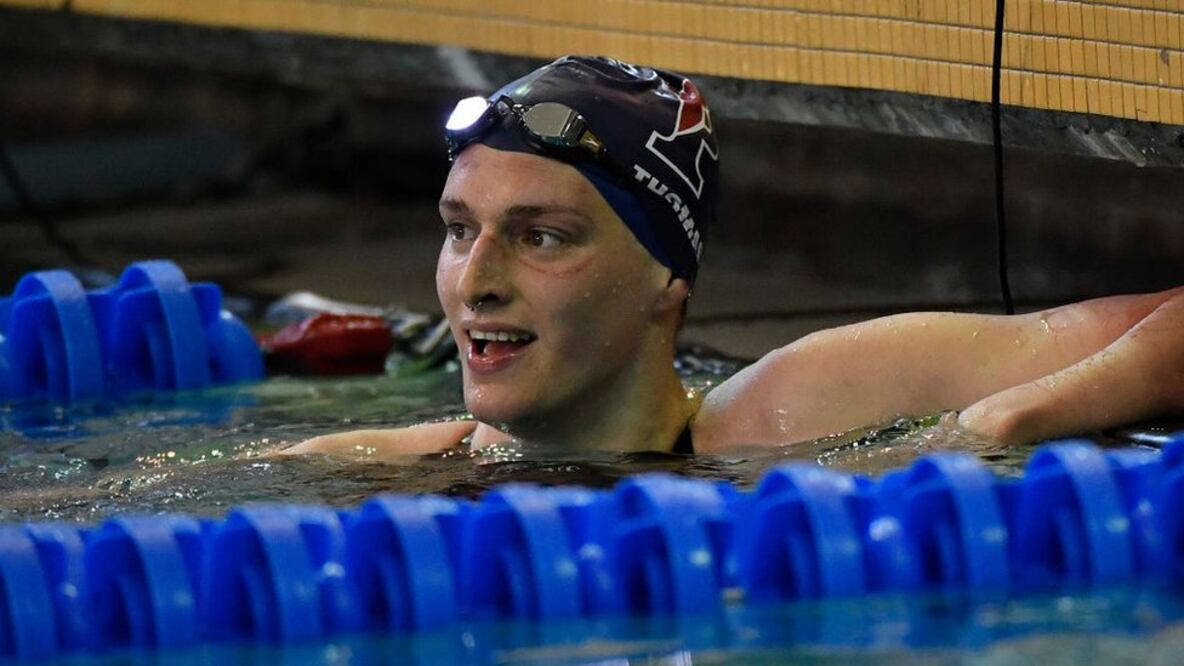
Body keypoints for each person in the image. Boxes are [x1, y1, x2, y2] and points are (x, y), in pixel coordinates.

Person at [284, 56, 1184, 458]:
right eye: (457, 229)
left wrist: (1009, 418)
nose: (475, 282)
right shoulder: (382, 469)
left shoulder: (797, 408)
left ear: (665, 277)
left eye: (539, 236)